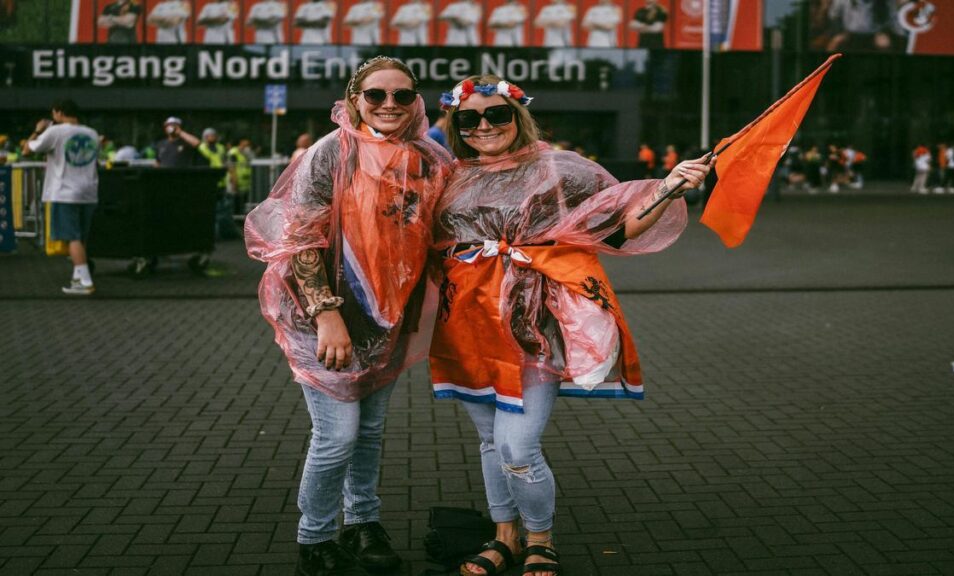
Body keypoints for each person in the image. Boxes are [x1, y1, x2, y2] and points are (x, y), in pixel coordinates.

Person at [432, 75, 712, 576]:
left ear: (517, 116)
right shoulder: (453, 176)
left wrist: (668, 187)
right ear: (457, 126)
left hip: (535, 324)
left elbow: (618, 226)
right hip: (468, 324)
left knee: (517, 446)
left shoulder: (560, 169)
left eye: (496, 114)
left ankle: (541, 539)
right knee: (492, 442)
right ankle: (504, 537)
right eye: (469, 118)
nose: (484, 125)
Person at [244, 56, 451, 576]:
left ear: (416, 100)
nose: (389, 105)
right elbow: (299, 237)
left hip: (387, 321)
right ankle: (314, 539)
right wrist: (325, 314)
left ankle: (362, 524)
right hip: (326, 316)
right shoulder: (332, 153)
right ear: (355, 98)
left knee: (370, 432)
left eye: (402, 95)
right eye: (376, 95)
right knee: (337, 435)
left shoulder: (427, 158)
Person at [22, 100, 100, 296]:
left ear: (58, 113)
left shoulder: (55, 131)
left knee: (72, 237)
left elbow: (27, 150)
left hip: (65, 191)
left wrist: (38, 130)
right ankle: (77, 278)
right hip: (89, 191)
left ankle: (85, 280)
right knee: (81, 238)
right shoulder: (91, 133)